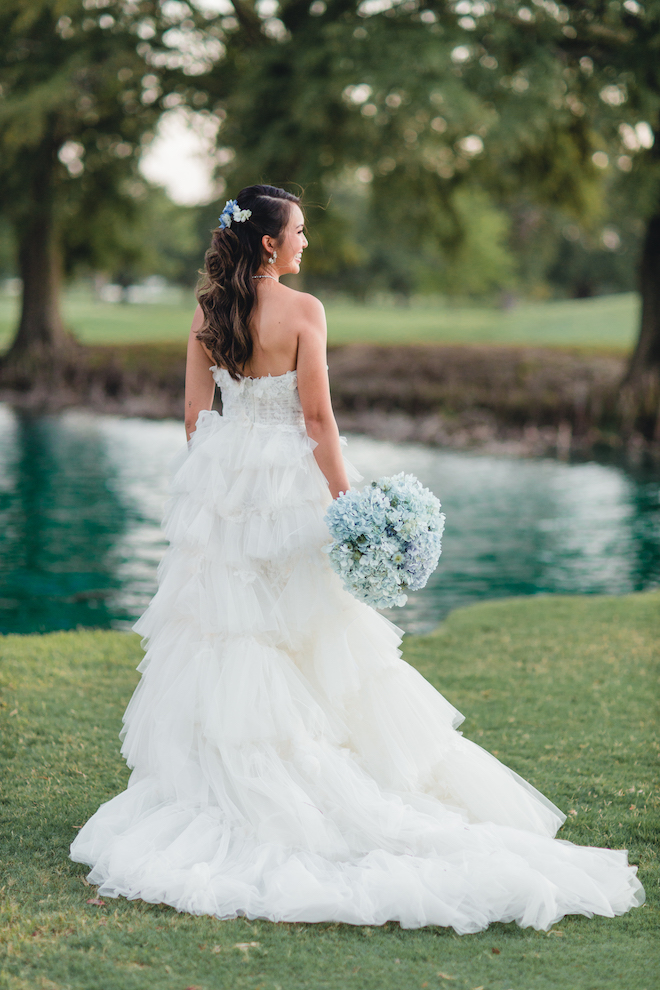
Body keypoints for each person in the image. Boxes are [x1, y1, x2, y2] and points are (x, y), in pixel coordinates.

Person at [70, 184, 644, 932]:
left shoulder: (208, 316)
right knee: (313, 635)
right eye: (300, 231)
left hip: (224, 486)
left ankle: (231, 786)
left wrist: (220, 485)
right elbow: (317, 419)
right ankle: (319, 782)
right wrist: (352, 507)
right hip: (290, 486)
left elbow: (192, 417)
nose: (308, 242)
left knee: (231, 637)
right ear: (270, 243)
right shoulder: (305, 312)